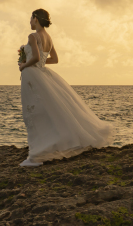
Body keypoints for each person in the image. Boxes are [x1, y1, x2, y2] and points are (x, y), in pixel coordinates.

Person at [17, 9, 113, 167]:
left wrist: (24, 65)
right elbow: (54, 59)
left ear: (36, 19)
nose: (29, 21)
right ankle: (46, 147)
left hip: (33, 75)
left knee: (34, 112)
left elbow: (35, 57)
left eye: (31, 18)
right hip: (42, 74)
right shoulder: (49, 38)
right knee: (48, 110)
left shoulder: (33, 36)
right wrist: (39, 63)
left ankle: (36, 155)